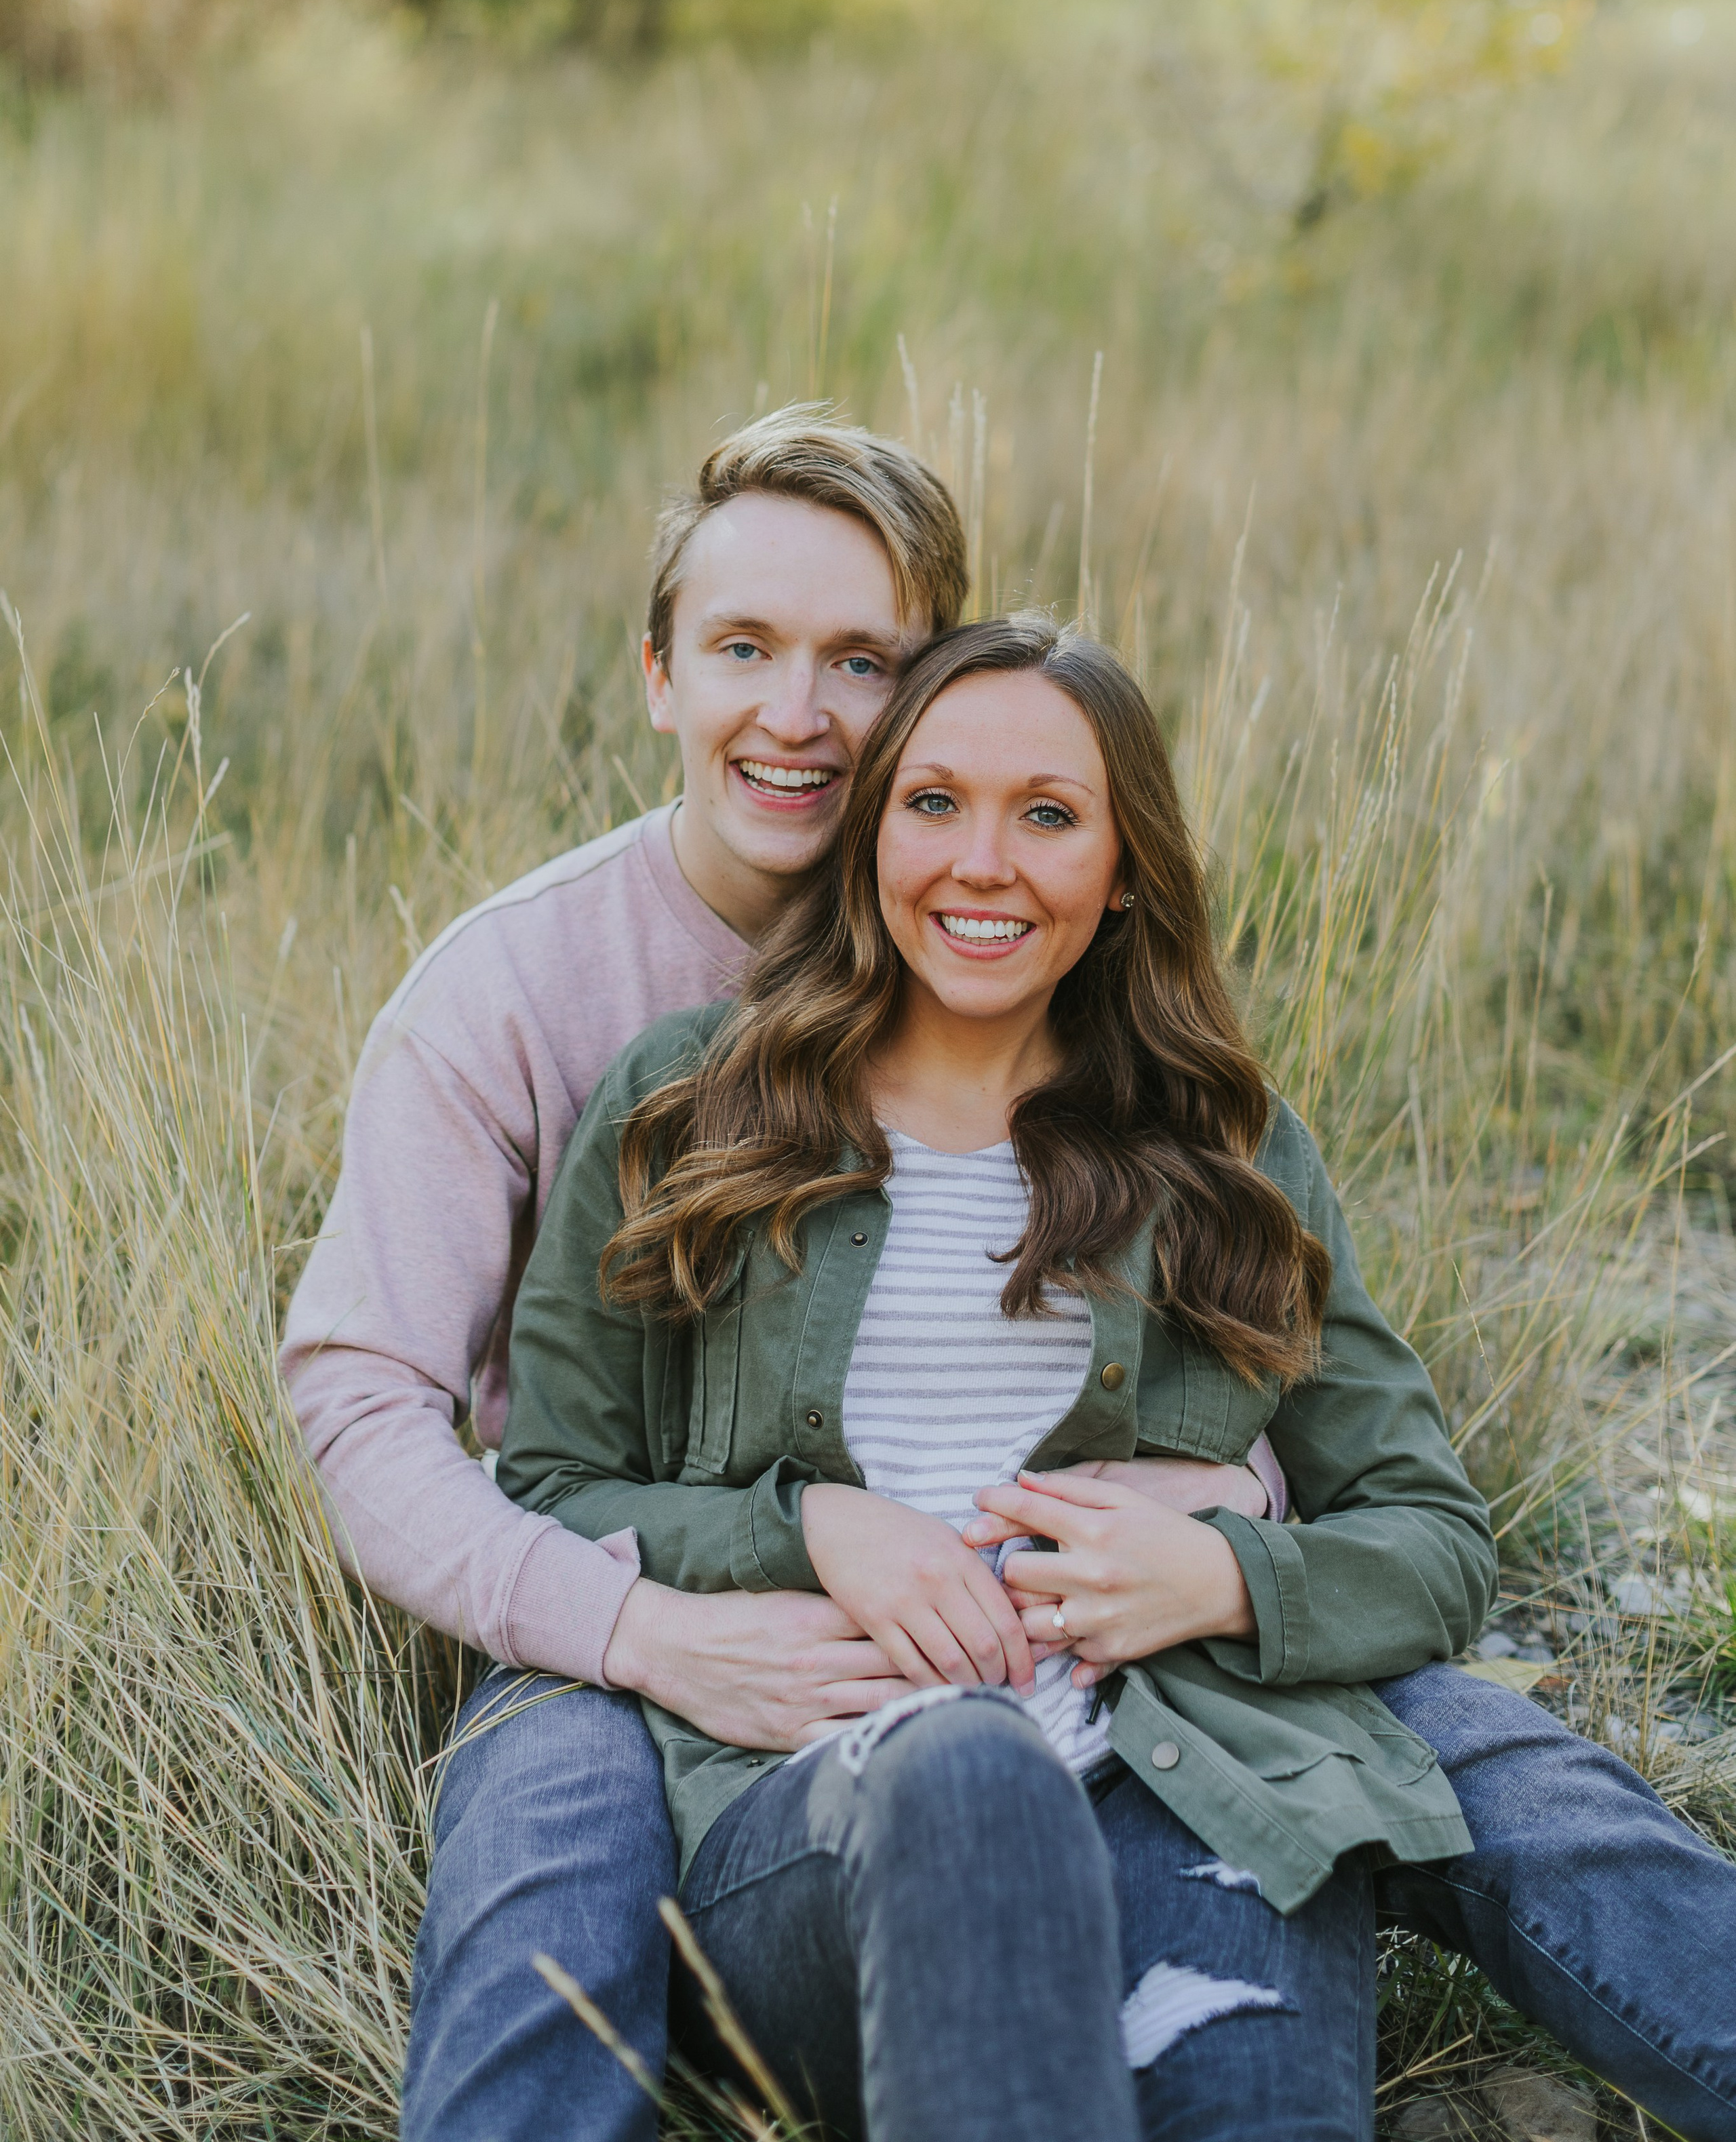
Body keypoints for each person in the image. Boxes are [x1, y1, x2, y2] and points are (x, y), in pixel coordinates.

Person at [279, 409, 1736, 2142]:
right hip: (693, 1679)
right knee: (588, 1840)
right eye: (744, 648)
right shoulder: (605, 1049)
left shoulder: (1206, 1140)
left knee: (1493, 1801)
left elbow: (1407, 1517)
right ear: (661, 673)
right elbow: (428, 1424)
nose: (798, 714)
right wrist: (702, 1589)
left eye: (858, 665)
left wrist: (1229, 1545)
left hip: (1165, 1718)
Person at [499, 613, 1503, 2139]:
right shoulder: (690, 1105)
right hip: (825, 1820)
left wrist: (1224, 1571)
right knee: (975, 1773)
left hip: (1189, 1782)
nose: (983, 863)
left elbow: (1433, 1539)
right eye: (933, 802)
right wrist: (805, 1525)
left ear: (1123, 869)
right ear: (870, 836)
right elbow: (553, 1488)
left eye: (1047, 814)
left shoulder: (1227, 1153)